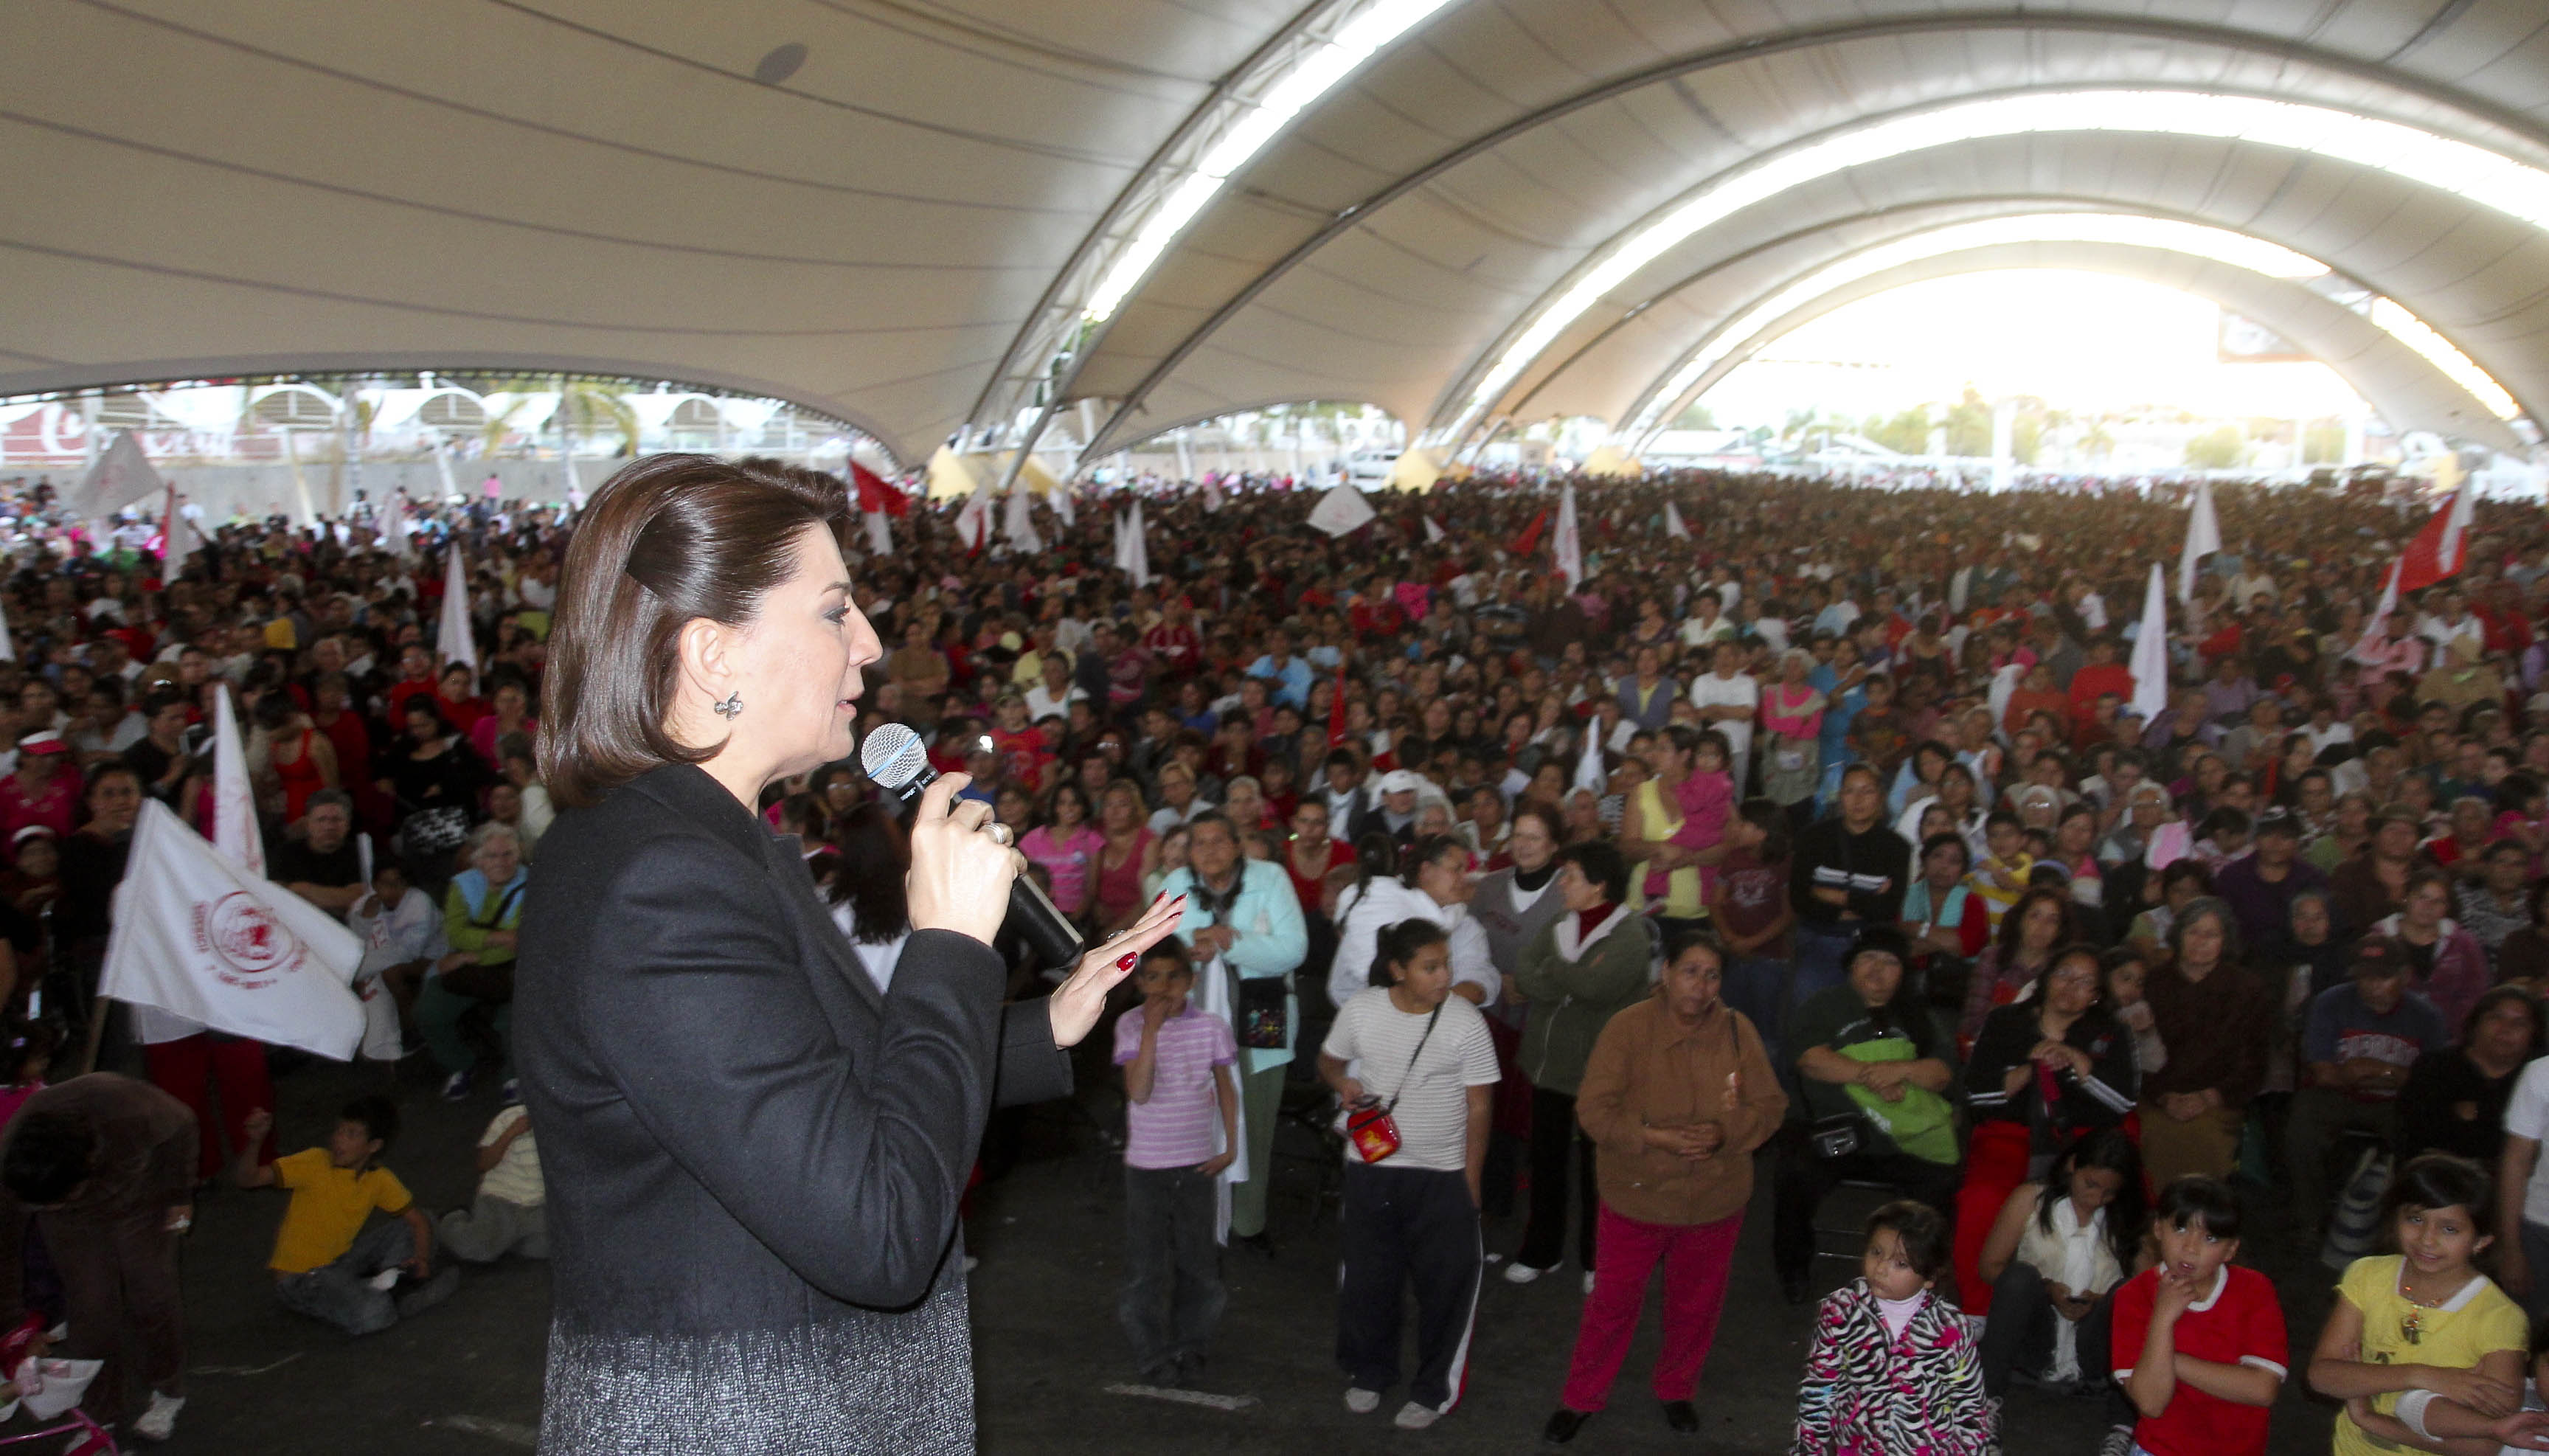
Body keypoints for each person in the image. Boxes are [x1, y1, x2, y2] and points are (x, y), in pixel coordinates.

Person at [513, 456, 1182, 1453]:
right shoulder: (664, 883)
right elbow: (879, 1227)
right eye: (834, 612)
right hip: (739, 1420)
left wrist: (1046, 1023)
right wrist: (950, 945)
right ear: (712, 654)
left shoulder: (701, 839)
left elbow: (820, 1091)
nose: (869, 646)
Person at [1541, 928, 1786, 1445]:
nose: (1700, 987)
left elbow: (1769, 1108)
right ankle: (1582, 1397)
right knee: (1612, 1303)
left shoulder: (1739, 1031)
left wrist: (1724, 1133)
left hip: (1715, 1200)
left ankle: (1677, 1388)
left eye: (1712, 975)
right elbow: (1593, 1111)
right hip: (1638, 1193)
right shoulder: (1628, 1029)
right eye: (1690, 972)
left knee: (1695, 1305)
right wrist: (1654, 1138)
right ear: (1666, 974)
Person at [1317, 918, 1500, 1432]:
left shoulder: (1466, 1022)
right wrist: (1345, 1082)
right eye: (1430, 967)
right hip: (1373, 1171)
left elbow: (1480, 1106)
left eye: (1445, 964)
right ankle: (1370, 1372)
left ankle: (1433, 1388)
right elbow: (1329, 1061)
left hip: (1442, 1177)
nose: (1445, 976)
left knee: (1446, 1290)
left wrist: (1472, 1179)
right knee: (1369, 1281)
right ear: (1398, 971)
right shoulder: (1362, 1011)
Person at [1772, 926, 1963, 1306]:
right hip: (1837, 1133)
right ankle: (1793, 1268)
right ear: (1850, 968)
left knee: (1945, 1181)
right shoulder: (1825, 1005)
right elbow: (1810, 1060)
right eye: (1868, 959)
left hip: (1903, 1140)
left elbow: (1942, 1073)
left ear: (1903, 973)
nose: (1878, 969)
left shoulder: (1916, 1013)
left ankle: (1922, 1274)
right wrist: (1872, 1077)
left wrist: (1900, 1071)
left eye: (1890, 962)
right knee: (1792, 1174)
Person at [0, 1073, 195, 1441]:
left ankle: (168, 1389)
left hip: (140, 1196)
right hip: (73, 1223)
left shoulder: (128, 1112)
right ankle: (100, 1414)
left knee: (151, 1292)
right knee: (91, 1312)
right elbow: (4, 1254)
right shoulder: (14, 1173)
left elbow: (182, 1125)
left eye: (57, 1199)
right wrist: (15, 1329)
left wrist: (179, 1195)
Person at [1953, 944, 2138, 1315]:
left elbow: (2124, 1102)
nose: (2071, 987)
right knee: (1982, 1201)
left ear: (2097, 995)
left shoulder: (2111, 1032)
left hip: (2086, 1144)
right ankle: (1979, 1314)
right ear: (2046, 980)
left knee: (2117, 1204)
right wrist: (2029, 1068)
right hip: (2010, 1135)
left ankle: (2103, 1314)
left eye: (2085, 982)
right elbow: (1975, 1092)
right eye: (2064, 975)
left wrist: (2077, 1062)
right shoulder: (2006, 1021)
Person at [1154, 812, 1307, 1256]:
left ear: (1237, 845)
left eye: (1219, 841)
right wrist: (1195, 938)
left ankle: (1249, 1222)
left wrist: (1230, 942)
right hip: (1193, 1018)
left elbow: (1294, 948)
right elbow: (1159, 946)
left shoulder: (1271, 877)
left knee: (1253, 1122)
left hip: (1265, 1009)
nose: (1210, 851)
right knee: (1191, 1121)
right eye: (1199, 843)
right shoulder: (1179, 881)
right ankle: (1193, 1215)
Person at [2307, 1154, 2530, 1456]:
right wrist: (2420, 1374)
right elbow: (2322, 1376)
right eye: (2415, 1219)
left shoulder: (2500, 1319)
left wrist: (2374, 1421)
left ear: (2481, 1241)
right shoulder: (2367, 1275)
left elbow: (2484, 1444)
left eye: (2450, 1229)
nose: (2427, 1239)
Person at [1504, 842, 1651, 1289]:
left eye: (1570, 876)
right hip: (1548, 1067)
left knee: (1597, 1172)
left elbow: (1597, 989)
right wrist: (1564, 979)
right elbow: (1522, 973)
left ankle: (1596, 1259)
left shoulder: (1629, 935)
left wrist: (1556, 974)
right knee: (1546, 1163)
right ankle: (1541, 1251)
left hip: (1599, 1072)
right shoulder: (1558, 924)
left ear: (1599, 885)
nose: (1562, 883)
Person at [1111, 938, 1237, 1387]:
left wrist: (1230, 1145)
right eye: (1153, 977)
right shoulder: (1129, 1026)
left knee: (1198, 1261)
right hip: (1147, 1164)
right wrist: (1150, 1031)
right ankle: (1150, 1350)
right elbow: (1140, 1091)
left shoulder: (1212, 1027)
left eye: (1175, 977)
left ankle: (1192, 1343)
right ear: (1140, 981)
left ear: (1192, 981)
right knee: (1146, 1265)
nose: (1164, 988)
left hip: (1196, 1162)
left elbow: (1226, 1086)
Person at [236, 1097, 457, 1335]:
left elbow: (417, 1222)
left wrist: (421, 1259)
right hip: (302, 1279)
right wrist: (254, 1143)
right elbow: (248, 1179)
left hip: (342, 1262)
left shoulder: (378, 1178)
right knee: (372, 1314)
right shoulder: (314, 1161)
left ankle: (390, 1280)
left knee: (425, 1219)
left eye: (351, 1134)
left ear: (373, 1146)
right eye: (339, 1131)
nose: (338, 1140)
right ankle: (391, 1290)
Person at [1789, 1199, 1994, 1455]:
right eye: (1876, 1252)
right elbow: (1820, 1386)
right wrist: (1809, 1448)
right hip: (1857, 1447)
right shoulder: (1841, 1311)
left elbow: (1969, 1405)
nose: (1882, 1268)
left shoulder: (1950, 1329)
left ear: (1930, 1277)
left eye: (1901, 1264)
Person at [1972, 1129, 2145, 1418]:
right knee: (2018, 1277)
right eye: (2090, 1184)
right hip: (2038, 1336)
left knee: (2127, 1291)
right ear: (2072, 1165)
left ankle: (2123, 1424)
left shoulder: (2126, 1219)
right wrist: (2046, 1288)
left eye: (2109, 1192)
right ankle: (1986, 1403)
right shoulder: (2032, 1198)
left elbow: (2147, 1291)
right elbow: (1989, 1267)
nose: (2096, 1198)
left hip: (2094, 1346)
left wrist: (2100, 1303)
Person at [2109, 1176, 2288, 1456]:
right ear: (2158, 1228)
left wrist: (2170, 1360)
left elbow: (2262, 1389)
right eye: (2179, 1229)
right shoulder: (2133, 1296)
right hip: (2159, 1449)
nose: (2190, 1248)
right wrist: (2162, 1319)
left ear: (2231, 1250)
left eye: (2210, 1238)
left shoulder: (2255, 1290)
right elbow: (2151, 1403)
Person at [2287, 935, 2450, 1237]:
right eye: (2365, 977)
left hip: (2396, 1103)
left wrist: (2376, 1070)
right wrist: (2393, 1074)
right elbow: (2323, 1073)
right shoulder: (2331, 1002)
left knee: (2424, 1132)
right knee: (2302, 1125)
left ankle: (2404, 1224)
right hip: (2339, 1095)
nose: (2373, 986)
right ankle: (2309, 1217)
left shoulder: (2427, 1015)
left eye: (2384, 977)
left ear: (2404, 976)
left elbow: (2432, 1082)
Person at [2139, 898, 2272, 1188]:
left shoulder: (2248, 989)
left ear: (2225, 941)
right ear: (2179, 935)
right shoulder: (2153, 984)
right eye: (2193, 932)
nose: (2200, 942)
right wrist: (2165, 1096)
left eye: (2211, 935)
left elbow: (2254, 1061)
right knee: (2155, 1133)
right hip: (2159, 1097)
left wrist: (2207, 1097)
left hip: (2219, 1100)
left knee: (2202, 1136)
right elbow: (2135, 1053)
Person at [1786, 765, 1912, 1019]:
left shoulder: (1896, 847)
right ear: (1840, 796)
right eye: (1850, 791)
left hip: (1868, 946)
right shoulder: (1814, 838)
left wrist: (1834, 896)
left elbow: (1888, 908)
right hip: (1818, 938)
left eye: (1867, 791)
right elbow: (1799, 898)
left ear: (1880, 796)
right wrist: (1862, 903)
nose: (1858, 800)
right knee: (1809, 1015)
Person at [420, 820, 528, 1103]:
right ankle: (460, 1065)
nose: (501, 862)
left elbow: (520, 940)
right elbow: (455, 933)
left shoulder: (531, 883)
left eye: (508, 854)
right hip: (469, 971)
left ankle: (513, 1076)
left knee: (516, 1019)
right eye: (492, 856)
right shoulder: (462, 885)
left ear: (518, 855)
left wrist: (470, 952)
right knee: (429, 1012)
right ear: (478, 860)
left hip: (510, 970)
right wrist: (499, 939)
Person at [2400, 988, 2541, 1166]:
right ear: (2475, 1024)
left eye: (2520, 1023)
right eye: (2495, 1018)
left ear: (2534, 1035)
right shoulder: (2434, 1067)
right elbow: (2415, 1129)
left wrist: (2475, 1114)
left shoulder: (2539, 1079)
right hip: (2436, 1178)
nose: (2506, 1029)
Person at [439, 1101, 547, 1263]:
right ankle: (452, 1219)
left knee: (565, 1246)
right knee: (474, 1248)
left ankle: (506, 1240)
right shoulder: (508, 1117)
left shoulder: (562, 1118)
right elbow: (484, 1163)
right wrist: (512, 1132)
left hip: (539, 1205)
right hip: (502, 1200)